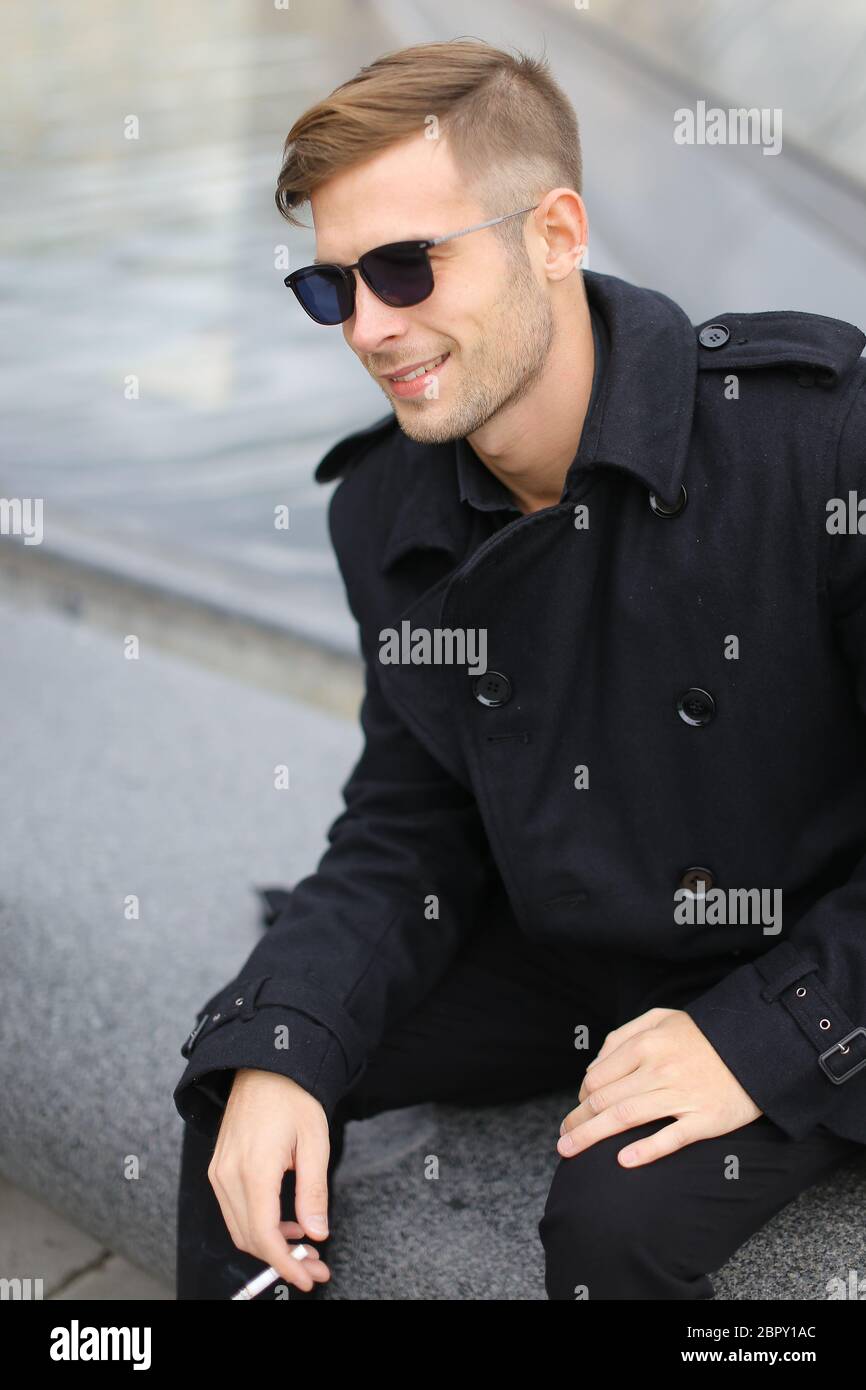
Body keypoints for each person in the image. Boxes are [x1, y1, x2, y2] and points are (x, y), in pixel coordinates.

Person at [173, 38, 866, 1300]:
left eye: (403, 266)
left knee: (613, 1231)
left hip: (810, 938)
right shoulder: (382, 507)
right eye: (330, 288)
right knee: (247, 1109)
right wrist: (282, 1043)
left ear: (553, 231)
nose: (370, 329)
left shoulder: (815, 439)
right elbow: (410, 814)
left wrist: (769, 1032)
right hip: (569, 944)